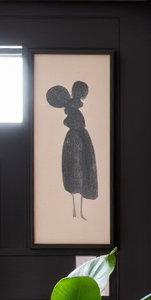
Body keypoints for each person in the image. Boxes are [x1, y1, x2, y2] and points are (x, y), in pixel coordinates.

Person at [46, 81, 98, 219]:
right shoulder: (75, 116)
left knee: (77, 176)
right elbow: (76, 123)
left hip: (77, 141)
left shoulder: (74, 116)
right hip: (77, 141)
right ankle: (77, 213)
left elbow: (75, 123)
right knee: (76, 176)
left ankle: (77, 213)